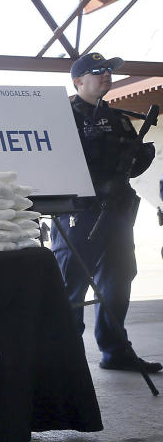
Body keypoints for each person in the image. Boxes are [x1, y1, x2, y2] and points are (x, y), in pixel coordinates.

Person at [50, 52, 161, 373]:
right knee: (71, 284)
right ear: (78, 81)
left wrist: (141, 155)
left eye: (109, 71)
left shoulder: (119, 119)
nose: (106, 76)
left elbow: (132, 167)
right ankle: (64, 356)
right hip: (78, 210)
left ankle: (115, 350)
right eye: (97, 71)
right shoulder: (61, 116)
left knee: (119, 280)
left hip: (116, 210)